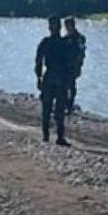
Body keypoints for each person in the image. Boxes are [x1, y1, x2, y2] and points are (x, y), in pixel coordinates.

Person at [35, 16, 76, 146]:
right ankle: (58, 136)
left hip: (50, 76)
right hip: (60, 77)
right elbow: (71, 64)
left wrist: (39, 77)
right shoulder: (66, 43)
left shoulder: (46, 42)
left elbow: (38, 61)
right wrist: (70, 82)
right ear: (60, 27)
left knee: (47, 108)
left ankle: (46, 135)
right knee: (58, 109)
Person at [63, 17, 86, 114]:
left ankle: (69, 106)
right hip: (65, 65)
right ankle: (66, 104)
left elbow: (82, 52)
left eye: (67, 25)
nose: (66, 28)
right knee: (64, 85)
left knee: (71, 85)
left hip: (74, 66)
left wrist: (78, 64)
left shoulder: (79, 38)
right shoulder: (66, 38)